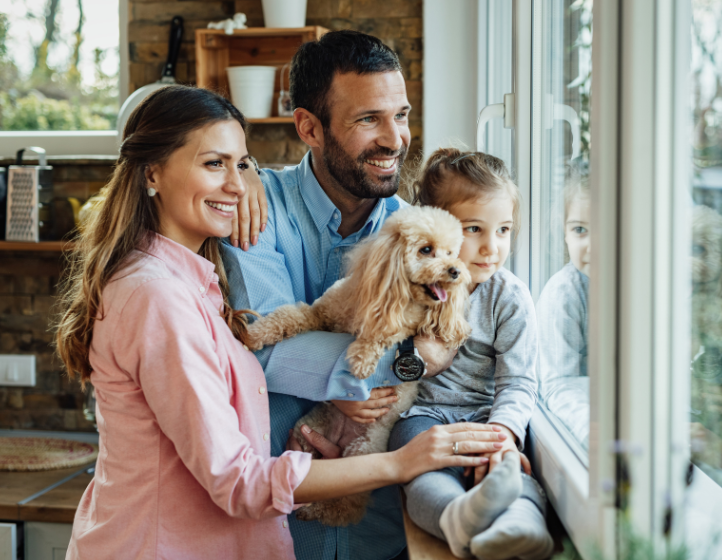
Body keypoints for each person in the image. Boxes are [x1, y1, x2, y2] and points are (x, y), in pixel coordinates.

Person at [54, 85, 508, 559]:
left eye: (242, 164)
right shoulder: (158, 297)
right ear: (152, 173)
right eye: (214, 164)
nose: (237, 186)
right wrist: (400, 463)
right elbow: (237, 480)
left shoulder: (194, 280)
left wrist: (317, 467)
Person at [221, 30, 462, 560]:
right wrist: (404, 361)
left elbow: (452, 337)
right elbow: (260, 348)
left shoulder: (417, 233)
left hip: (383, 533)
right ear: (309, 127)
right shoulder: (256, 211)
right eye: (368, 119)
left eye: (401, 115)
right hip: (281, 530)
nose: (395, 139)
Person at [385, 148, 554, 560]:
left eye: (503, 230)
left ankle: (522, 525)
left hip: (485, 417)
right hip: (422, 417)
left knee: (512, 470)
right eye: (474, 229)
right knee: (422, 478)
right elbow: (384, 349)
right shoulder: (413, 286)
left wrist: (503, 435)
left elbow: (518, 381)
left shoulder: (508, 297)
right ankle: (455, 518)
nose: (491, 248)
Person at [535, 174, 591, 449]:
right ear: (564, 233)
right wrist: (590, 431)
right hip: (587, 424)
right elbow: (558, 384)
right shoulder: (564, 294)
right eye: (580, 230)